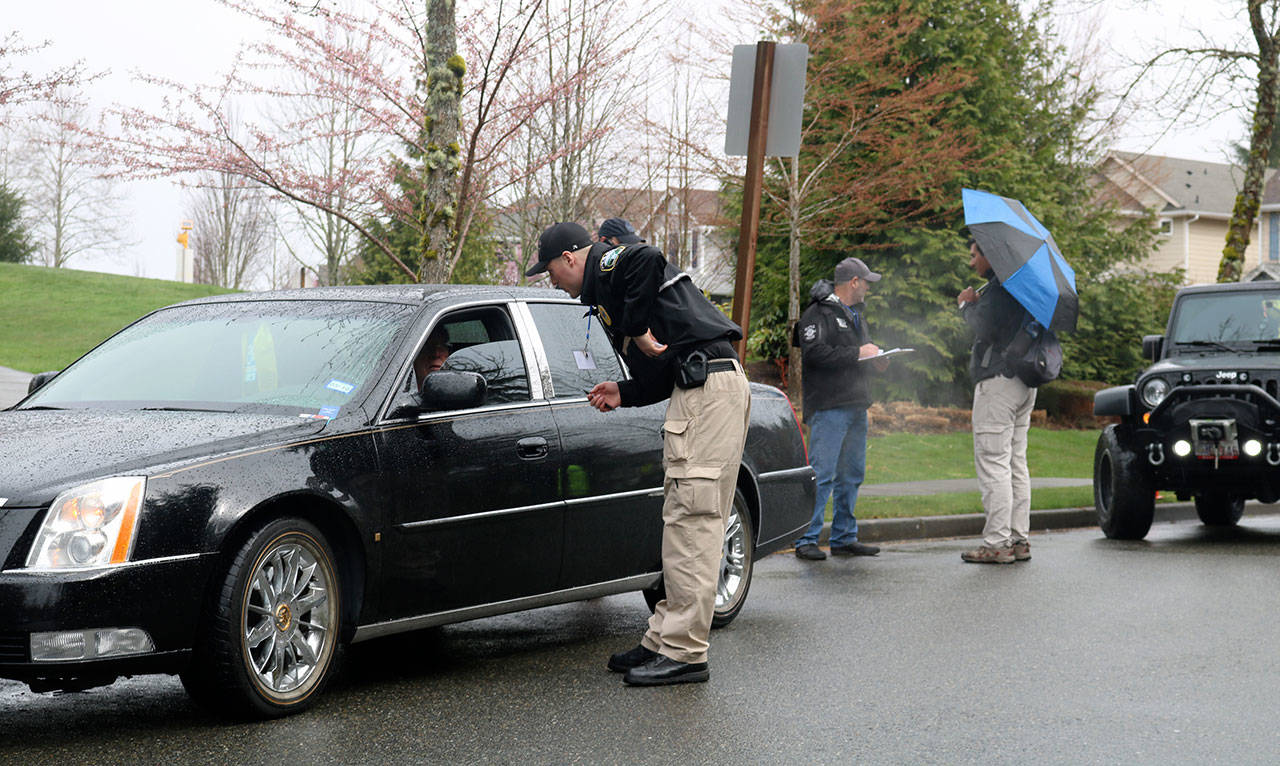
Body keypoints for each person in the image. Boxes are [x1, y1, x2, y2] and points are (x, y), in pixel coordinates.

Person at [525, 221, 750, 686]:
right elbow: (661, 369)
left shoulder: (611, 263)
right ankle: (663, 639)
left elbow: (645, 257)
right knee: (679, 523)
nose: (554, 285)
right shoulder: (609, 289)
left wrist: (639, 329)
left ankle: (686, 654)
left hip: (710, 388)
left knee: (693, 525)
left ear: (570, 258)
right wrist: (623, 392)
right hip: (694, 387)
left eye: (550, 273)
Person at [792, 257, 889, 561]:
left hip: (856, 404)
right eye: (866, 283)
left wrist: (877, 361)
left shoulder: (857, 315)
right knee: (823, 474)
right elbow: (815, 352)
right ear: (854, 282)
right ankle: (806, 539)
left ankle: (844, 537)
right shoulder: (817, 313)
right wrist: (858, 352)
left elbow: (858, 356)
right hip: (829, 406)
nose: (868, 290)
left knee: (852, 473)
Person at [957, 239, 1035, 564]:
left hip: (998, 383)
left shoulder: (1001, 289)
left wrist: (965, 304)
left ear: (990, 256)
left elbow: (983, 326)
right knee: (1015, 461)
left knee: (994, 462)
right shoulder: (1025, 286)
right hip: (1024, 382)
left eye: (975, 255)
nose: (972, 261)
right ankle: (1019, 540)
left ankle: (997, 544)